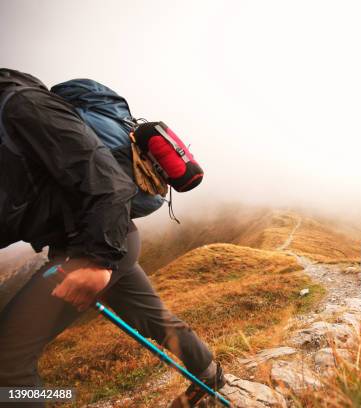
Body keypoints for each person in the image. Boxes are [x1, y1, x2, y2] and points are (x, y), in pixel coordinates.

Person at [0, 69, 224, 407]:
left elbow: (107, 180)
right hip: (114, 241)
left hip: (94, 248)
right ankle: (211, 376)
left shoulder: (20, 104)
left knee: (7, 361)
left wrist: (97, 260)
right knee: (155, 318)